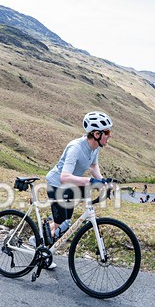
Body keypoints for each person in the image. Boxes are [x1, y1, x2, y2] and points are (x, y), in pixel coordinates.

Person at [44, 112, 114, 267]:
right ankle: (41, 244)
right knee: (60, 223)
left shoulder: (95, 147)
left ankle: (42, 238)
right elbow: (64, 177)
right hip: (57, 184)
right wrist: (89, 180)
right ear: (96, 134)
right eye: (107, 132)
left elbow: (93, 166)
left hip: (70, 186)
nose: (110, 135)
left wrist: (103, 181)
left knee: (65, 223)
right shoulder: (75, 148)